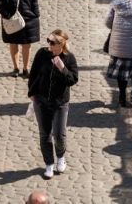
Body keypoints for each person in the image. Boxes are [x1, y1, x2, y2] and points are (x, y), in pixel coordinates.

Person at [28, 29, 79, 179]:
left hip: (60, 102)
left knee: (59, 134)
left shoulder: (69, 59)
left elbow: (72, 80)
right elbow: (34, 73)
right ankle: (49, 163)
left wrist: (62, 68)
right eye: (48, 40)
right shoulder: (42, 54)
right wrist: (31, 92)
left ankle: (61, 157)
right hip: (41, 101)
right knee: (44, 135)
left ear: (61, 44)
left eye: (52, 42)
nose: (49, 44)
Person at [0, 0, 41, 77]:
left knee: (26, 44)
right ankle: (16, 68)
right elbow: (0, 2)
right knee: (13, 44)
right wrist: (7, 15)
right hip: (12, 18)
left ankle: (26, 68)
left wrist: (35, 14)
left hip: (28, 18)